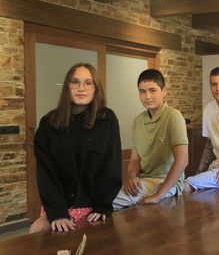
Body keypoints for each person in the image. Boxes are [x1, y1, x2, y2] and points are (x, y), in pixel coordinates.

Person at [30, 63, 122, 233]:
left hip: (93, 206)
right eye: (75, 82)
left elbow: (111, 167)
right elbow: (46, 173)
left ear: (96, 88)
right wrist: (57, 213)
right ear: (67, 87)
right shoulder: (48, 123)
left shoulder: (107, 119)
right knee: (37, 231)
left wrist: (102, 206)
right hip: (59, 205)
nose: (81, 88)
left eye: (88, 83)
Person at [113, 69, 188, 209]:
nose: (147, 96)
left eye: (152, 90)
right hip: (144, 181)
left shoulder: (174, 116)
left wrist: (158, 195)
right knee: (105, 195)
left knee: (109, 202)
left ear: (164, 91)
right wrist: (131, 177)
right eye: (142, 91)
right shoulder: (138, 120)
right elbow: (134, 160)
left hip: (167, 183)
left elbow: (182, 161)